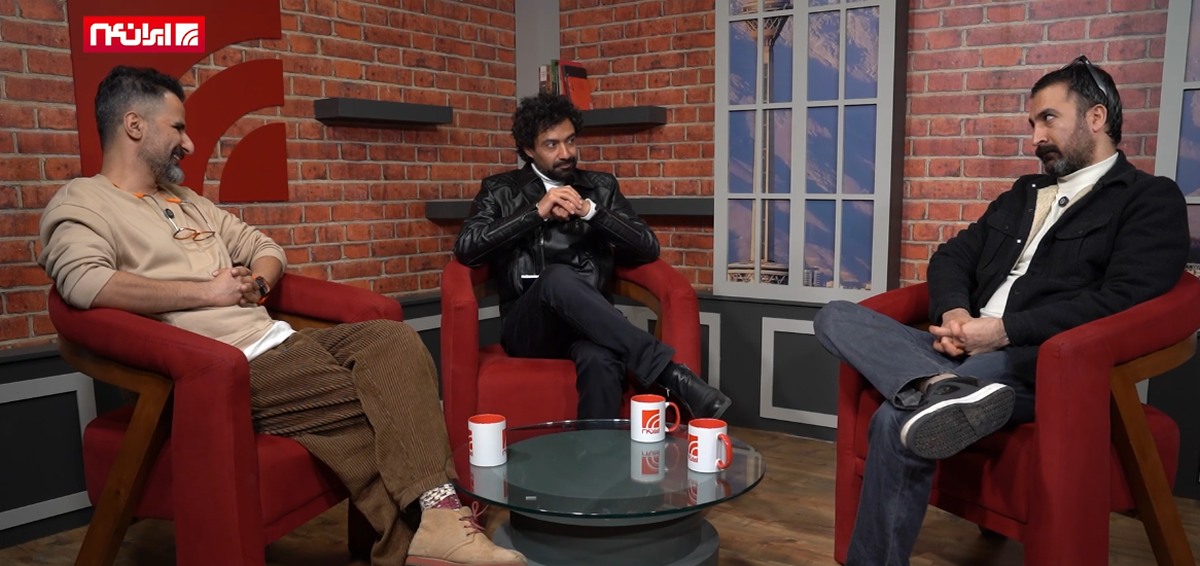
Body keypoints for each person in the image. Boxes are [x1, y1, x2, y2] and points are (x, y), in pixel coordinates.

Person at [37, 66, 524, 566]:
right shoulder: (84, 202)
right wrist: (207, 294)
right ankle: (440, 523)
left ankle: (427, 537)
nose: (188, 142)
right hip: (218, 370)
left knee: (393, 340)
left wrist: (259, 284)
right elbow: (84, 282)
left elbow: (265, 247)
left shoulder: (187, 201)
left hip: (279, 341)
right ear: (134, 125)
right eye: (177, 127)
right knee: (384, 405)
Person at [814, 56, 1189, 565]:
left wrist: (1003, 332)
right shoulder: (1022, 194)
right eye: (1032, 123)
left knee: (894, 419)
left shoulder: (1147, 198)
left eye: (1048, 119)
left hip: (1031, 363)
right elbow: (952, 256)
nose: (1036, 137)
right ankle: (938, 386)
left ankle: (937, 394)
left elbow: (1123, 300)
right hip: (960, 348)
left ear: (1096, 117)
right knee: (835, 315)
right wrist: (953, 315)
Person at [452, 92, 730, 421]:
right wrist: (536, 213)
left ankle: (596, 450)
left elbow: (646, 246)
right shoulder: (500, 190)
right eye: (552, 144)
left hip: (591, 325)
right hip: (529, 329)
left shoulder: (601, 187)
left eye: (570, 141)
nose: (566, 153)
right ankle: (671, 374)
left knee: (602, 359)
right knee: (556, 277)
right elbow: (467, 247)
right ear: (528, 149)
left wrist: (591, 212)